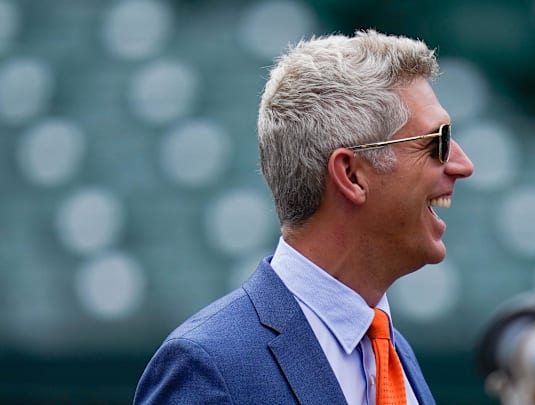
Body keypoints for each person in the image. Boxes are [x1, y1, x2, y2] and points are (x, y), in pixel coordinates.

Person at [134, 29, 474, 405]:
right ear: (352, 175)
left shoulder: (394, 353)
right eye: (437, 141)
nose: (463, 164)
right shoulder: (210, 367)